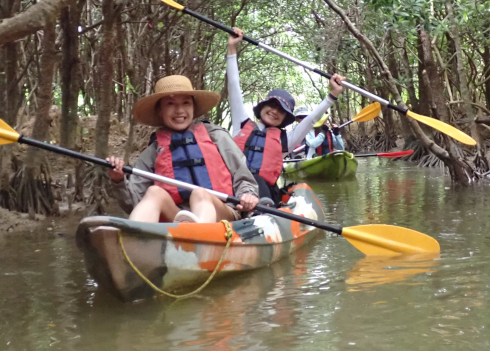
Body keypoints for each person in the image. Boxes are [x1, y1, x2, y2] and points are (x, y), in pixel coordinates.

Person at [107, 75, 259, 223]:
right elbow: (133, 202)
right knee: (154, 192)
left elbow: (243, 177)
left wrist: (248, 196)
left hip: (222, 211)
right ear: (160, 111)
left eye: (186, 103)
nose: (179, 110)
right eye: (170, 104)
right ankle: (135, 237)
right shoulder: (153, 151)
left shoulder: (216, 137)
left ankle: (199, 238)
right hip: (178, 216)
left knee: (200, 193)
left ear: (193, 107)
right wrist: (118, 180)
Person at [227, 28, 345, 202]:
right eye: (272, 106)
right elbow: (233, 85)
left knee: (258, 181)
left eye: (281, 110)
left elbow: (312, 119)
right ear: (262, 107)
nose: (275, 111)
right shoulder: (241, 124)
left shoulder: (286, 141)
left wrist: (333, 94)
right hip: (231, 189)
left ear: (285, 118)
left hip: (263, 195)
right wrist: (232, 49)